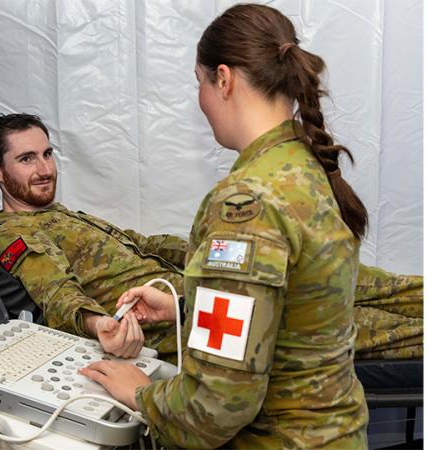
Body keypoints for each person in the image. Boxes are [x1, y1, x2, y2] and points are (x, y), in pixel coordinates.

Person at [79, 4, 377, 447]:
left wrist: (142, 394)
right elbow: (290, 311)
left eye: (198, 82)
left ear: (224, 79)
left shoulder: (247, 202)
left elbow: (217, 405)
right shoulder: (306, 166)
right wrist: (186, 306)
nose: (199, 99)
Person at [0, 113, 422, 364]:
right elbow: (57, 293)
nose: (45, 169)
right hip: (189, 323)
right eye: (27, 159)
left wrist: (219, 244)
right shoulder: (12, 233)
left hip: (199, 286)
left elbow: (142, 243)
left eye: (48, 154)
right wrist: (102, 327)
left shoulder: (60, 215)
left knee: (352, 277)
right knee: (346, 320)